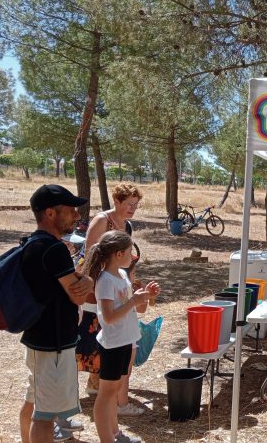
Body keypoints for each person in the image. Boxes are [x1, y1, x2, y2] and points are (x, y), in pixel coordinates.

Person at [19, 185, 94, 443]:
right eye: (71, 210)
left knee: (34, 401)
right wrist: (88, 282)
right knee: (45, 416)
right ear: (50, 213)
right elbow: (77, 295)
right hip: (53, 344)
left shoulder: (31, 244)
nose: (76, 216)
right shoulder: (55, 249)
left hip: (37, 339)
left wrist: (83, 280)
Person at [83, 230, 160, 443]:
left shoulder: (123, 275)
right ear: (118, 254)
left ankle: (115, 433)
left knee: (115, 391)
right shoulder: (106, 280)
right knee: (106, 395)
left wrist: (146, 296)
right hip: (113, 344)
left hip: (127, 340)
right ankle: (106, 439)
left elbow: (134, 307)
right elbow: (108, 317)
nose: (132, 257)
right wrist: (133, 301)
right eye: (129, 252)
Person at [78, 183, 144, 417]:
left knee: (110, 337)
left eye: (136, 205)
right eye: (129, 204)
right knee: (98, 337)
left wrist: (129, 281)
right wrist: (100, 287)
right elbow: (91, 256)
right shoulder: (101, 220)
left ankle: (101, 385)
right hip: (99, 287)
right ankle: (103, 389)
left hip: (117, 285)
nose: (133, 209)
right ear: (116, 201)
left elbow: (125, 258)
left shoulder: (127, 225)